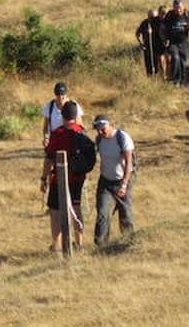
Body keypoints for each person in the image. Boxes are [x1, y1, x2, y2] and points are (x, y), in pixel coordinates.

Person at [40, 101, 92, 253]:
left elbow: (49, 159)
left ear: (62, 116)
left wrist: (44, 178)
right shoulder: (82, 132)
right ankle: (79, 243)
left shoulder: (58, 133)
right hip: (78, 178)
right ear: (76, 116)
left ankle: (56, 244)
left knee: (55, 211)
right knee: (76, 209)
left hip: (59, 180)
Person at [93, 115, 135, 244]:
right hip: (105, 181)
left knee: (125, 214)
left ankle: (128, 242)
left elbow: (129, 164)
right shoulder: (99, 139)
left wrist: (124, 185)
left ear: (110, 124)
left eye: (103, 128)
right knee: (102, 213)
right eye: (98, 129)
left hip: (122, 181)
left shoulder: (122, 138)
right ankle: (101, 244)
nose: (100, 131)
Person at [41, 81, 83, 146]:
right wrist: (46, 137)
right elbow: (46, 126)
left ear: (66, 94)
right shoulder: (49, 106)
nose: (61, 98)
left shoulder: (74, 105)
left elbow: (79, 125)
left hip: (71, 140)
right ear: (55, 95)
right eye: (58, 95)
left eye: (63, 95)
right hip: (55, 140)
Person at [164, 0, 189, 84]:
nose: (178, 10)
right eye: (176, 8)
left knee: (183, 62)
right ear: (173, 8)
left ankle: (182, 80)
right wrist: (165, 39)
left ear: (183, 7)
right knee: (175, 57)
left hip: (184, 42)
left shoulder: (187, 14)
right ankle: (174, 78)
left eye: (180, 7)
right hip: (172, 42)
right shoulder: (170, 15)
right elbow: (163, 28)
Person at [136, 8, 158, 77]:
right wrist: (141, 43)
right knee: (148, 64)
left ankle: (157, 77)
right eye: (150, 16)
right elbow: (137, 34)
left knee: (156, 63)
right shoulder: (145, 23)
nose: (151, 18)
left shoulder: (159, 22)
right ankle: (149, 77)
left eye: (153, 17)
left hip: (157, 46)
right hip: (147, 46)